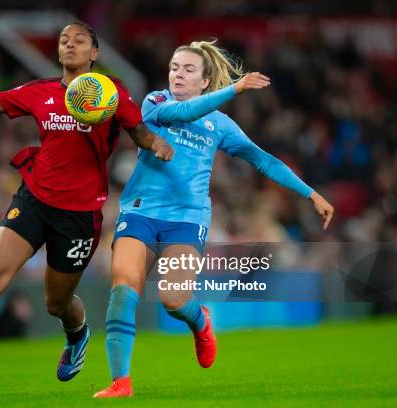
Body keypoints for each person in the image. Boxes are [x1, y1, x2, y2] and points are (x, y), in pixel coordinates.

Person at [0, 21, 174, 393]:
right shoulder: (40, 92)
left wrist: (154, 142)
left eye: (79, 41)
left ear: (95, 53)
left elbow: (138, 132)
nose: (70, 45)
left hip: (79, 214)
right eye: (64, 40)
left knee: (56, 303)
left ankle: (77, 335)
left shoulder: (111, 93)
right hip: (34, 198)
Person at [93, 40, 334, 398]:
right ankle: (121, 382)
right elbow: (183, 114)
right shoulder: (156, 103)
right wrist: (235, 88)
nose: (178, 73)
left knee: (174, 300)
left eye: (188, 69)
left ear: (205, 81)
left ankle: (201, 321)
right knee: (123, 288)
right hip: (140, 211)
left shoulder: (220, 125)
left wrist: (310, 193)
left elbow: (263, 160)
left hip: (187, 220)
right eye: (175, 67)